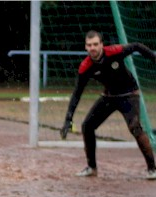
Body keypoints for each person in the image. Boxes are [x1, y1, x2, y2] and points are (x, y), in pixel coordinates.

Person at [60, 30, 156, 180]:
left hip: (129, 94)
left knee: (134, 127)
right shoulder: (86, 66)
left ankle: (152, 169)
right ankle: (92, 168)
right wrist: (68, 119)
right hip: (109, 96)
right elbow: (77, 93)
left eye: (95, 44)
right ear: (85, 47)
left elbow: (137, 46)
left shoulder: (114, 52)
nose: (93, 48)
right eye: (89, 45)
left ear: (101, 45)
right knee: (87, 126)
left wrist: (153, 58)